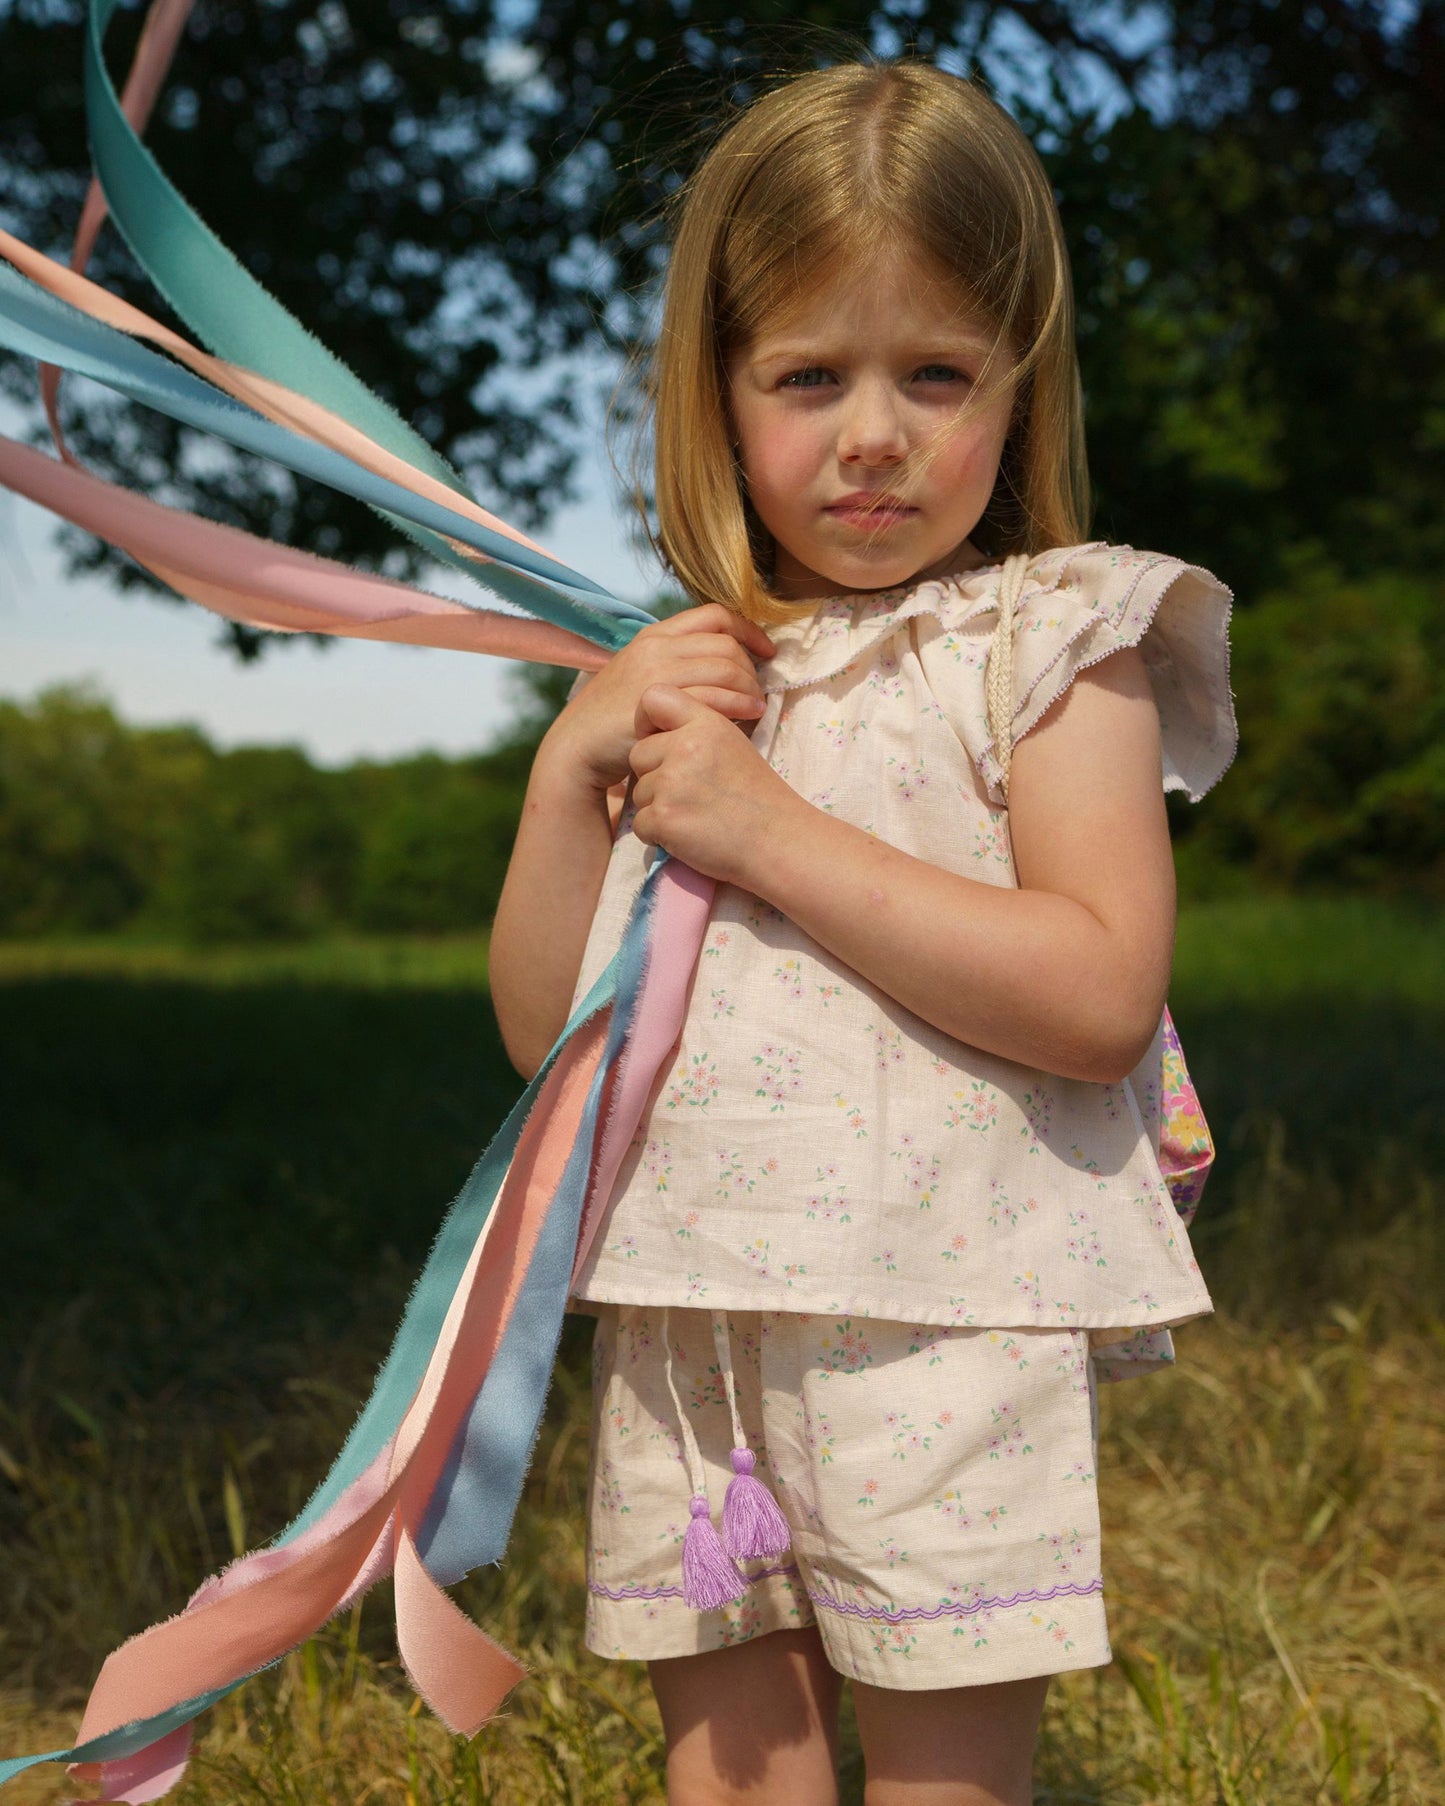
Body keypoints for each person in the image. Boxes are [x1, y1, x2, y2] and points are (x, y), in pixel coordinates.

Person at [489, 58, 1236, 1806]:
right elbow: (550, 1049)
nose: (874, 433)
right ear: (717, 392)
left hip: (942, 1304)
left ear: (1017, 386)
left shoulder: (1054, 641)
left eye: (935, 374)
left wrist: (772, 832)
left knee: (938, 1769)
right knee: (732, 1762)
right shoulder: (694, 668)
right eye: (809, 375)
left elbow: (1099, 991)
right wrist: (561, 783)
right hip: (693, 1303)